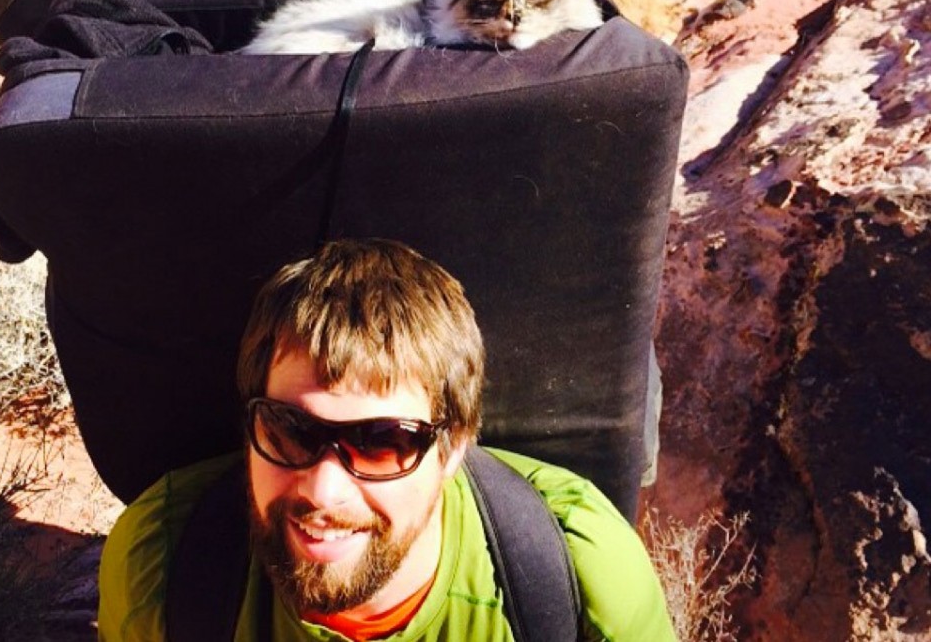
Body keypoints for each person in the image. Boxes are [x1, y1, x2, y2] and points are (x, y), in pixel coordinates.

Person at [98, 239, 677, 641]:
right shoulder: (167, 566)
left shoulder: (575, 578)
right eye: (288, 429)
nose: (324, 489)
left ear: (453, 447)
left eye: (381, 443)